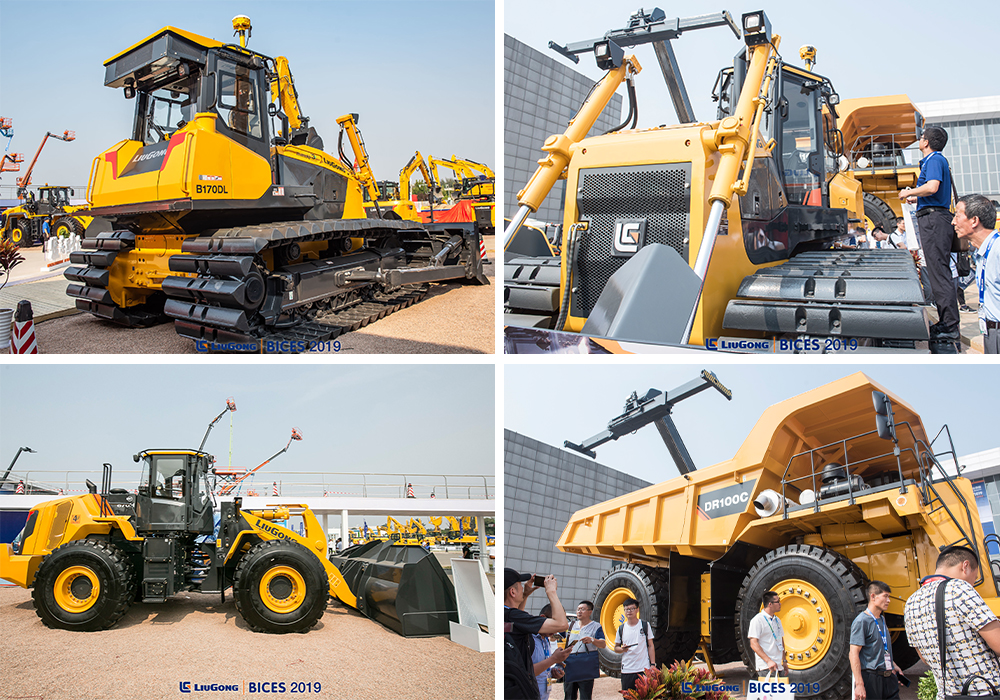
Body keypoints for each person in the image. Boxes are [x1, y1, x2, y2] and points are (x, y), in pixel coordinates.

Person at [903, 546, 1000, 699]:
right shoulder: (959, 588)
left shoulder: (911, 602)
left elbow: (924, 659)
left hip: (947, 694)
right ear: (965, 566)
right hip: (985, 692)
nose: (973, 584)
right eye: (974, 578)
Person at [899, 126, 960, 353]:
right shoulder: (935, 160)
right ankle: (947, 322)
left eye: (921, 137)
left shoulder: (934, 159)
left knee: (939, 273)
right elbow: (934, 192)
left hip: (934, 220)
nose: (919, 139)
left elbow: (933, 187)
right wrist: (917, 199)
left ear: (927, 142)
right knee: (936, 272)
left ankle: (949, 326)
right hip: (934, 217)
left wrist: (909, 192)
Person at [504, 569, 570, 699]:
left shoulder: (506, 615)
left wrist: (525, 595)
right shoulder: (514, 616)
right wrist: (551, 592)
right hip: (519, 691)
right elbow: (562, 624)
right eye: (520, 585)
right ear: (512, 592)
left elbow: (516, 624)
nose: (522, 587)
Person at [953, 194, 1000, 353]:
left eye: (957, 215)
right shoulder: (982, 253)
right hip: (991, 331)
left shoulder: (997, 250)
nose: (953, 222)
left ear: (974, 220)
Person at [850, 581, 902, 700]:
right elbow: (853, 653)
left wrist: (893, 665)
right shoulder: (861, 621)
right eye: (885, 596)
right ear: (873, 596)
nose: (888, 600)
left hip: (888, 677)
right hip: (872, 679)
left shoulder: (882, 619)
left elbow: (881, 648)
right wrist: (859, 684)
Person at [564, 601, 606, 700]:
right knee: (569, 695)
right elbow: (557, 637)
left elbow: (603, 644)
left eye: (582, 609)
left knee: (585, 696)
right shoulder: (569, 625)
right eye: (578, 609)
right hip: (571, 665)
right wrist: (553, 637)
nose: (579, 611)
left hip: (586, 666)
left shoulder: (596, 626)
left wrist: (592, 640)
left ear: (590, 612)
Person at [612, 598, 655, 693]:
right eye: (627, 609)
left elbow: (651, 645)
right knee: (628, 696)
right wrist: (622, 649)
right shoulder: (621, 628)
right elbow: (616, 648)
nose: (629, 611)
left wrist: (652, 664)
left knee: (644, 696)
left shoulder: (645, 625)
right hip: (627, 670)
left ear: (637, 610)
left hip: (643, 669)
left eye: (632, 609)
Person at [748, 591, 788, 677]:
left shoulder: (777, 620)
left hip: (779, 666)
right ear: (770, 604)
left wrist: (784, 661)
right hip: (766, 667)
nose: (780, 604)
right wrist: (768, 661)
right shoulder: (757, 620)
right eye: (777, 602)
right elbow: (753, 643)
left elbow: (781, 640)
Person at [532, 604, 565, 700]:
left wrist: (552, 672)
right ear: (543, 618)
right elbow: (526, 672)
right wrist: (553, 659)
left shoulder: (546, 639)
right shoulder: (528, 639)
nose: (556, 631)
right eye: (555, 626)